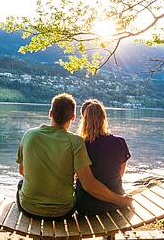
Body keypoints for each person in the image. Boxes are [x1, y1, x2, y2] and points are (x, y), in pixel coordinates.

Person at [16, 93, 132, 221]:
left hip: (28, 208)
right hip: (63, 210)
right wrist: (120, 200)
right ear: (73, 117)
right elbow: (91, 183)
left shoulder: (29, 135)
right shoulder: (76, 142)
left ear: (50, 113)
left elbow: (22, 171)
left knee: (21, 184)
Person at [74, 99, 132, 216]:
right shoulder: (120, 142)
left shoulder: (80, 144)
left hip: (86, 206)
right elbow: (120, 173)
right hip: (115, 202)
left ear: (84, 121)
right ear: (104, 119)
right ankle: (111, 235)